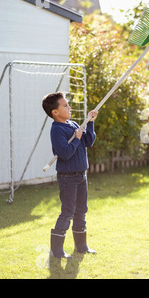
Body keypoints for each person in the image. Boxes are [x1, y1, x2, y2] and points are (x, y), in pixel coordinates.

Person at [42, 92, 98, 259]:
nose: (69, 107)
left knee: (81, 211)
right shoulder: (57, 130)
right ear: (55, 112)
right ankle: (57, 250)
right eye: (65, 105)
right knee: (67, 212)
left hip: (81, 175)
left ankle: (82, 246)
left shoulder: (72, 123)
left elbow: (89, 141)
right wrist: (76, 138)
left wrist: (91, 124)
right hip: (68, 177)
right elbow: (65, 154)